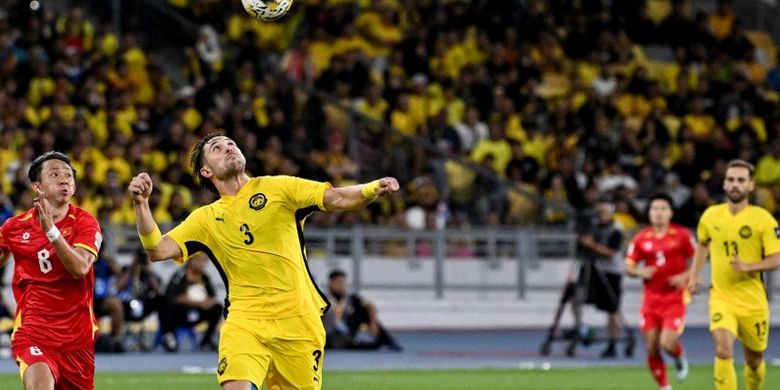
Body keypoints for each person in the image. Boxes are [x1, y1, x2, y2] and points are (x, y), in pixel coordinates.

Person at [128, 132, 399, 390]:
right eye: (217, 148)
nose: (228, 148)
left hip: (299, 321)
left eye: (231, 143)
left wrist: (372, 187)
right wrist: (142, 205)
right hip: (246, 321)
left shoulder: (279, 187)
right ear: (206, 172)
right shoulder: (205, 219)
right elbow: (157, 250)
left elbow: (338, 197)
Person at [0, 152, 102, 390]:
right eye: (55, 174)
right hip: (33, 330)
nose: (64, 179)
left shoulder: (85, 222)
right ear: (38, 187)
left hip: (77, 339)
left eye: (68, 175)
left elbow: (80, 268)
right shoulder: (14, 227)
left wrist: (51, 232)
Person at [688, 159, 780, 390]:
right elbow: (702, 245)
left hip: (753, 302)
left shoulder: (763, 220)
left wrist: (749, 266)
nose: (735, 184)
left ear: (751, 186)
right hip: (722, 297)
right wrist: (693, 276)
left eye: (741, 180)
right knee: (723, 348)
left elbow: (777, 258)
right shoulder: (711, 216)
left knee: (754, 360)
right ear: (725, 184)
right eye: (731, 180)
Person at [625, 194, 695, 390]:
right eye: (655, 209)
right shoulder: (641, 239)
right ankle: (665, 386)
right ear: (649, 213)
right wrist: (640, 271)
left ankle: (679, 355)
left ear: (671, 212)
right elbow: (628, 266)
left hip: (675, 298)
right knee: (651, 347)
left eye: (663, 208)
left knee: (666, 343)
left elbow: (698, 261)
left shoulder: (682, 235)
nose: (659, 213)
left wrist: (685, 275)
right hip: (650, 300)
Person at [577, 198, 625, 358]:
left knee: (613, 309)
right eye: (599, 212)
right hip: (594, 270)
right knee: (576, 297)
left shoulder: (616, 229)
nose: (600, 215)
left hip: (611, 272)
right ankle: (578, 329)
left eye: (604, 212)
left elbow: (612, 253)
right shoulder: (594, 227)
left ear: (611, 213)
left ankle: (612, 343)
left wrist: (592, 245)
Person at [322, 269, 401, 351]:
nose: (341, 285)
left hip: (345, 331)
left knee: (364, 311)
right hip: (329, 333)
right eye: (338, 282)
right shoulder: (322, 298)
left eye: (343, 283)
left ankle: (386, 341)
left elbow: (370, 306)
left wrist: (372, 323)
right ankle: (360, 344)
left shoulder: (350, 298)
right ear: (330, 283)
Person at [162, 253, 222, 352]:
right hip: (181, 313)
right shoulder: (180, 275)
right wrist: (195, 302)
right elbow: (172, 297)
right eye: (199, 260)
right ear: (191, 260)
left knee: (217, 308)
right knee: (165, 306)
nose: (202, 264)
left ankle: (206, 341)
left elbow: (213, 297)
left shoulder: (204, 277)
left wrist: (207, 302)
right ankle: (171, 339)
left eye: (204, 261)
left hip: (199, 312)